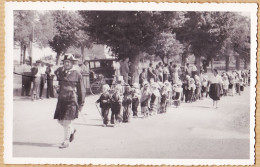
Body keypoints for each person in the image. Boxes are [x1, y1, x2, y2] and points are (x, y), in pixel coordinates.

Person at [53, 54, 85, 149]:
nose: (66, 64)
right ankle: (72, 130)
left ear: (72, 63)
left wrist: (81, 103)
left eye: (68, 62)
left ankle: (66, 141)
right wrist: (56, 89)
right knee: (60, 120)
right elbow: (56, 80)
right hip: (62, 99)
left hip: (71, 99)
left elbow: (81, 90)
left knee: (67, 121)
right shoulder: (60, 72)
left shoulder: (77, 74)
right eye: (65, 62)